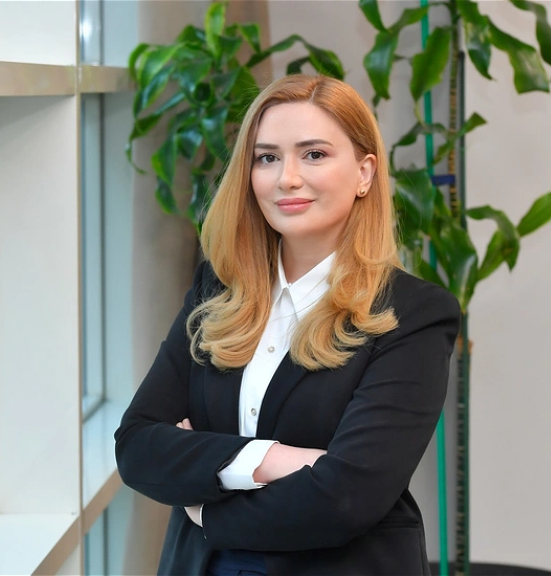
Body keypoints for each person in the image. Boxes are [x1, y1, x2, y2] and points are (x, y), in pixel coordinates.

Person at [114, 74, 460, 576]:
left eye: (314, 154)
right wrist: (276, 460)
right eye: (267, 158)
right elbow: (138, 446)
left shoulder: (413, 314)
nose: (287, 178)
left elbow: (346, 498)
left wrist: (206, 505)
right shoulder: (217, 290)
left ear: (364, 173)